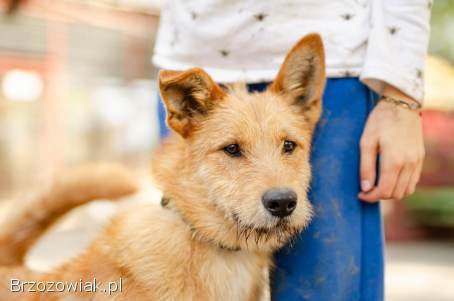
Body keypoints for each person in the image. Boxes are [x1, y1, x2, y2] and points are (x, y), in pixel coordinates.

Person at [152, 1, 431, 300]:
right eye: (233, 149)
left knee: (325, 290)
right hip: (194, 47)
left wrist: (402, 98)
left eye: (288, 147)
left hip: (340, 61)